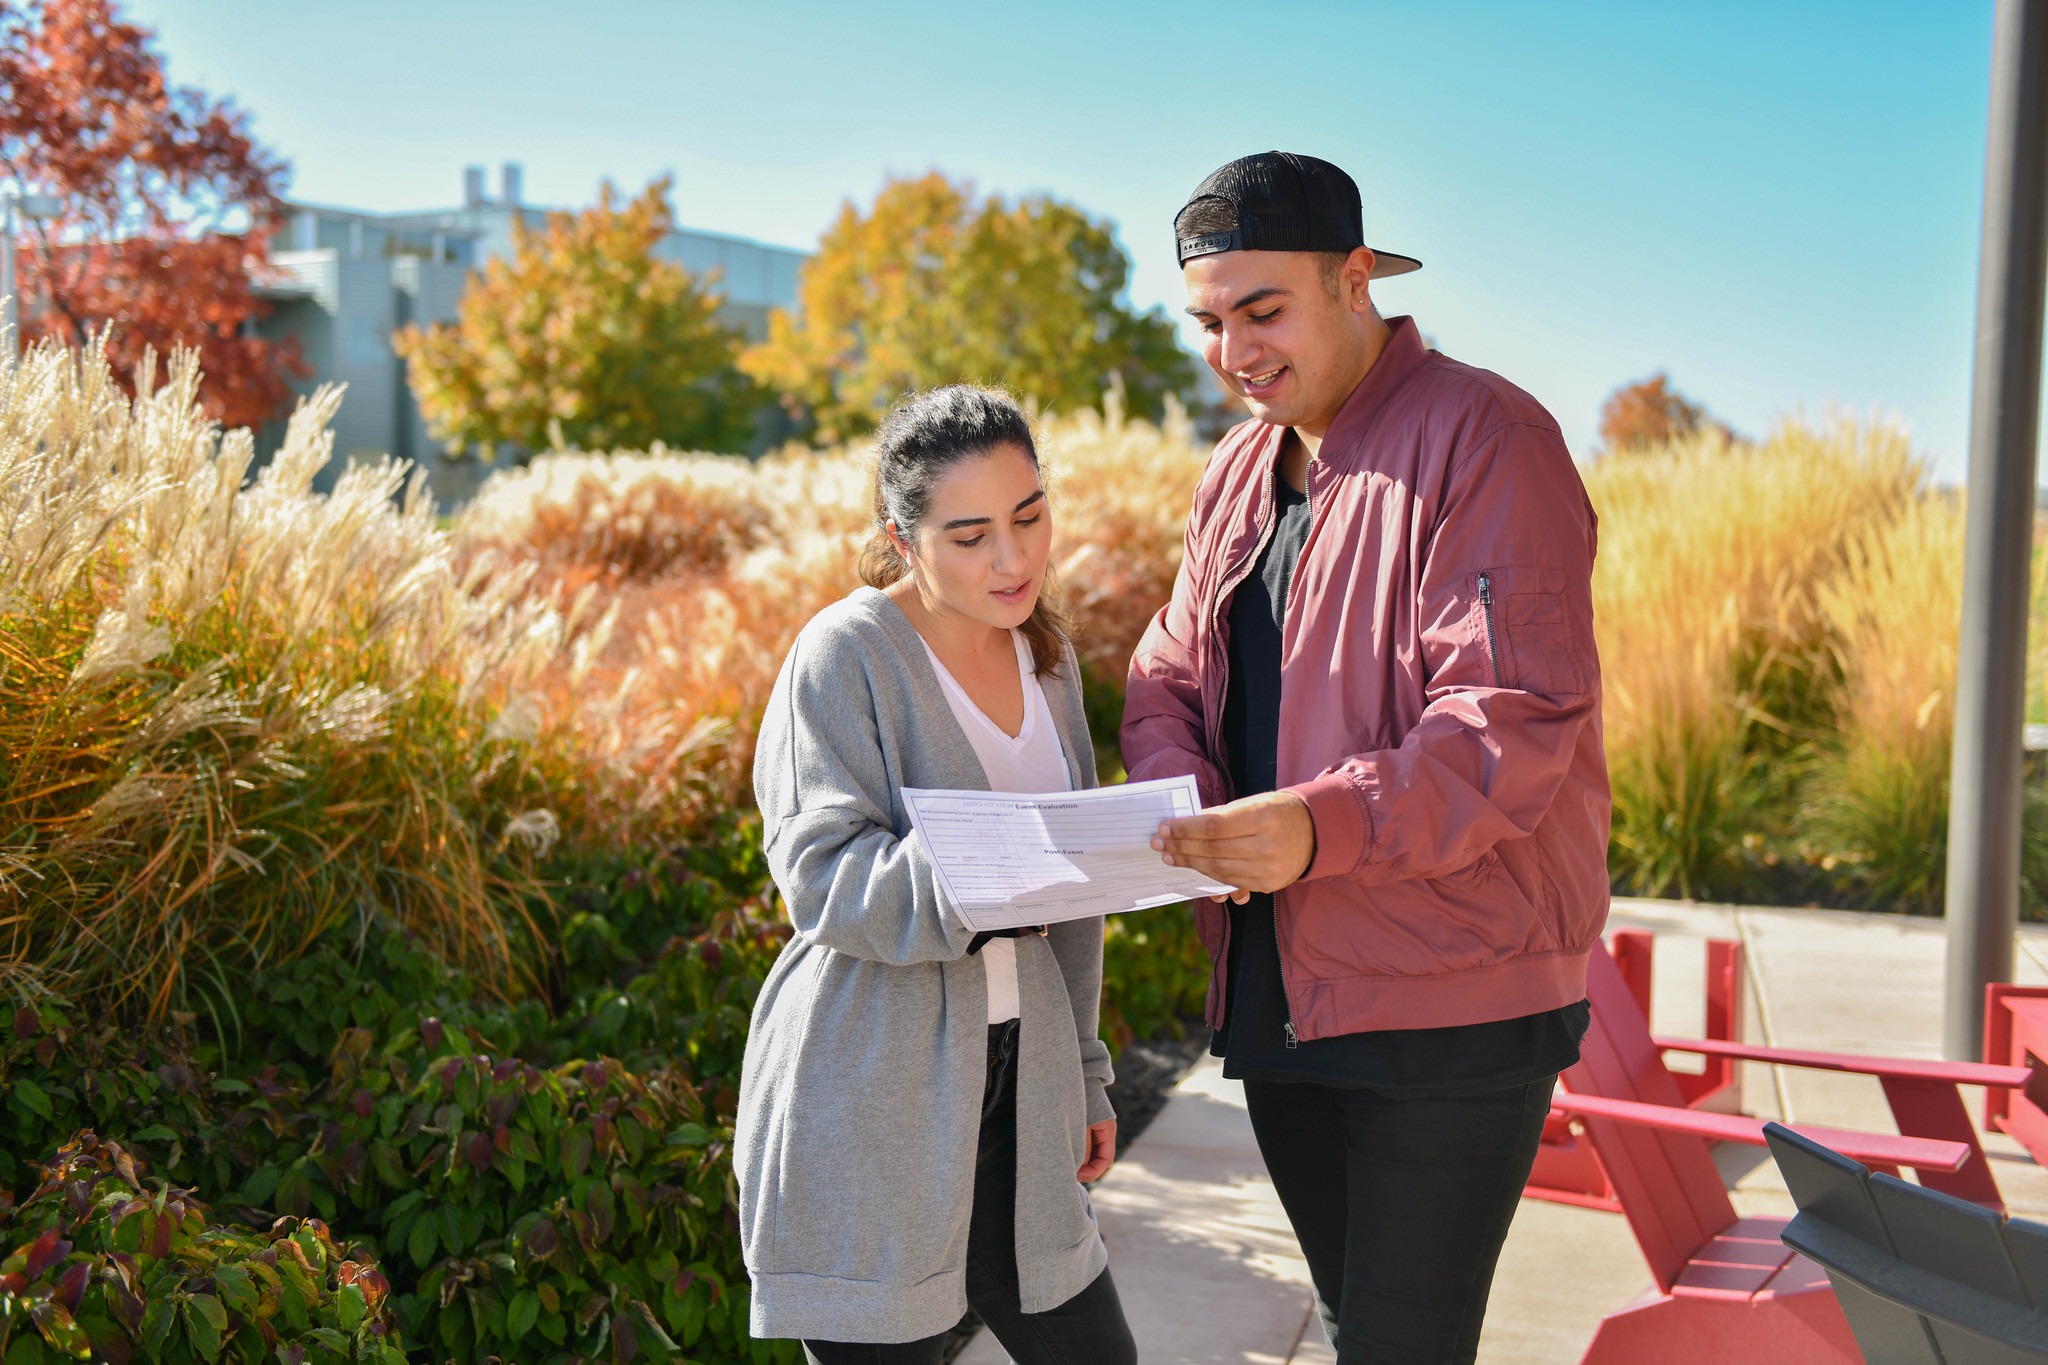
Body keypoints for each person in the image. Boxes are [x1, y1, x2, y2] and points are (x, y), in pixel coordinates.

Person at [1122, 151, 1610, 1364]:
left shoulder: (1486, 436)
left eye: (1262, 310)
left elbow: (1508, 718)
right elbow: (1167, 669)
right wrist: (1179, 804)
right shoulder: (1236, 470)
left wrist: (1312, 827)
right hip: (1284, 992)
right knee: (1359, 1328)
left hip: (1451, 1002)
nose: (1233, 350)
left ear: (1354, 282)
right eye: (1209, 321)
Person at [736, 386, 1138, 1365]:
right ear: (902, 537)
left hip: (1027, 1089)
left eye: (1028, 516)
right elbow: (821, 878)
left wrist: (1084, 1072)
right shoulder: (845, 654)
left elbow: (1073, 903)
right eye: (969, 536)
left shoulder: (1048, 658)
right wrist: (1004, 853)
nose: (1012, 559)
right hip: (874, 1092)